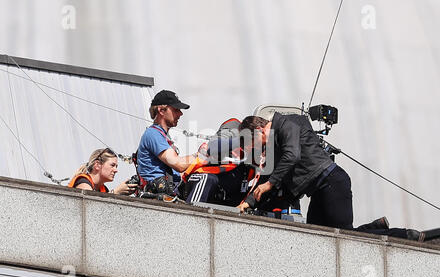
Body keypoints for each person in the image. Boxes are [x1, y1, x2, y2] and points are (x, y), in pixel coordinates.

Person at [237, 112, 427, 241]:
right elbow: (268, 178)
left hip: (331, 183)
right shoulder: (275, 147)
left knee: (346, 239)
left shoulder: (288, 124)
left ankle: (403, 235)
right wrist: (248, 203)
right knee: (315, 237)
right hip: (319, 191)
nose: (254, 148)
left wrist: (270, 184)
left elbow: (292, 156)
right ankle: (376, 226)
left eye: (251, 142)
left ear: (259, 131)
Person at [136, 90, 197, 196]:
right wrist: (202, 154)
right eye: (176, 109)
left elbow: (178, 170)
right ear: (161, 111)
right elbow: (178, 164)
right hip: (159, 196)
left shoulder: (163, 137)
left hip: (170, 191)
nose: (180, 113)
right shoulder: (153, 134)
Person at [68, 148, 136, 195]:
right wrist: (116, 192)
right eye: (112, 165)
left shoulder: (103, 189)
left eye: (116, 166)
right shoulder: (83, 182)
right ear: (97, 165)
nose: (116, 170)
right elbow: (91, 207)